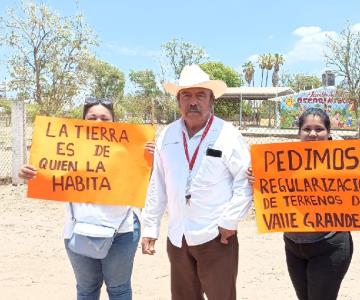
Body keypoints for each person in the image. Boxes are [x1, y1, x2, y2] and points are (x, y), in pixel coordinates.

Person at [19, 97, 155, 300]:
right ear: (82, 120)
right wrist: (28, 173)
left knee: (119, 289)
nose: (98, 122)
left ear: (114, 123)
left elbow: (151, 184)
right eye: (92, 117)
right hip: (78, 231)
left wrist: (151, 159)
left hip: (123, 232)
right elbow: (48, 173)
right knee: (87, 289)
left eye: (104, 118)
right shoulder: (67, 147)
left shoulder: (132, 148)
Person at [141, 65, 253, 300]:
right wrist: (150, 227)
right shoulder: (167, 135)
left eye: (200, 95)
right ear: (178, 101)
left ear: (211, 100)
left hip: (216, 237)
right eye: (186, 95)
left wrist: (229, 222)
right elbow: (158, 184)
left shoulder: (228, 134)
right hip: (178, 237)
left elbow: (244, 181)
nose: (193, 102)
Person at [247, 107, 353, 300]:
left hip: (329, 246)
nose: (313, 133)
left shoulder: (342, 161)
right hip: (294, 246)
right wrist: (256, 178)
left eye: (319, 129)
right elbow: (269, 190)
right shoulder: (283, 162)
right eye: (307, 128)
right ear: (299, 133)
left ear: (329, 133)